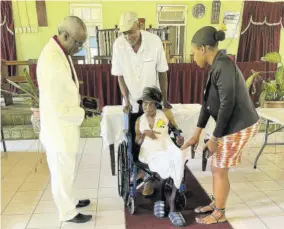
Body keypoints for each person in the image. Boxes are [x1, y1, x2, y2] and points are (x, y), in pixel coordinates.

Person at [181, 26, 260, 225]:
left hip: (240, 125)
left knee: (218, 168)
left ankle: (220, 212)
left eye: (193, 52)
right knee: (218, 165)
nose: (193, 57)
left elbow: (227, 104)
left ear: (202, 49)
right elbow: (207, 105)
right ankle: (217, 203)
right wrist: (196, 134)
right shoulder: (216, 65)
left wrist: (215, 138)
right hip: (232, 124)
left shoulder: (224, 66)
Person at [37, 16, 93, 224]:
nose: (79, 48)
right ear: (65, 35)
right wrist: (82, 113)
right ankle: (67, 212)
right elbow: (58, 108)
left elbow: (66, 85)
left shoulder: (61, 50)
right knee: (61, 172)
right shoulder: (51, 60)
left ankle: (71, 200)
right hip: (58, 128)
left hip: (65, 127)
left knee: (68, 169)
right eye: (78, 43)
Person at [111, 11, 171, 196]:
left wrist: (165, 99)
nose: (129, 37)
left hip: (151, 101)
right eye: (124, 33)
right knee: (134, 139)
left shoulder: (154, 42)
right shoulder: (119, 45)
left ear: (139, 26)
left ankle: (149, 179)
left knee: (153, 139)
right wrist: (126, 100)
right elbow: (120, 75)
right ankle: (137, 172)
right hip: (132, 101)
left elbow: (162, 72)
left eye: (131, 32)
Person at [135, 86, 187, 227]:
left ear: (157, 104)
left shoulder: (165, 114)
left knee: (179, 157)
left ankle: (170, 200)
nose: (147, 106)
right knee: (166, 162)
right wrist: (145, 133)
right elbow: (137, 141)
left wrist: (178, 137)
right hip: (149, 150)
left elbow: (176, 129)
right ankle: (166, 201)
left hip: (167, 145)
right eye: (145, 103)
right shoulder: (139, 121)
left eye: (151, 103)